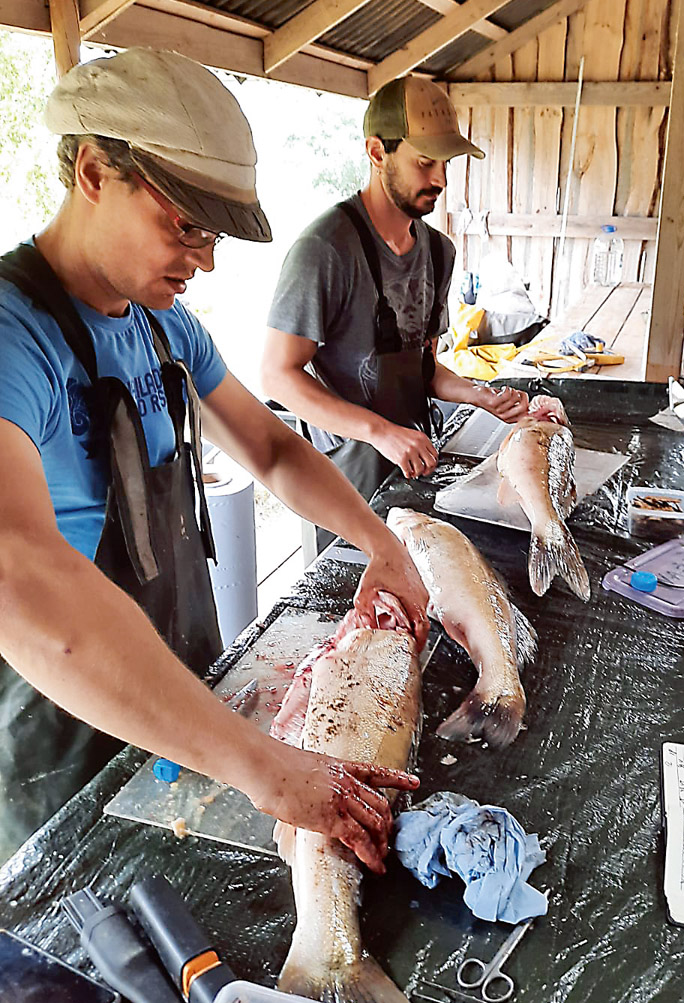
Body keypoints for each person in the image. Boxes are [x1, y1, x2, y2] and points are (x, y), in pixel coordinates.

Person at [0, 48, 430, 871]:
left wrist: (382, 543)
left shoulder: (166, 328)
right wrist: (260, 766)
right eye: (185, 225)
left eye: (212, 233)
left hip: (186, 700)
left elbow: (269, 446)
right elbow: (19, 575)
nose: (203, 259)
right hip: (63, 741)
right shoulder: (14, 337)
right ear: (95, 171)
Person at [261, 75, 529, 508]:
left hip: (419, 460)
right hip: (348, 477)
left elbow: (425, 368)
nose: (440, 179)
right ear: (376, 152)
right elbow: (278, 375)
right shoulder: (324, 251)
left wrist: (480, 396)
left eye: (446, 163)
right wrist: (379, 431)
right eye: (425, 162)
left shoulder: (439, 252)